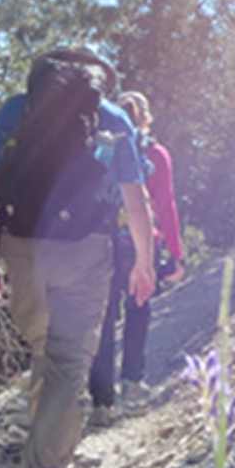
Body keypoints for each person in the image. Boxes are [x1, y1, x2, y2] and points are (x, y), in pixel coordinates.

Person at [0, 48, 156, 468]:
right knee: (68, 368)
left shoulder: (16, 110)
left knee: (45, 356)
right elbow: (135, 197)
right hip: (85, 252)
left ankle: (42, 453)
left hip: (23, 249)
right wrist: (144, 260)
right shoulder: (112, 116)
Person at [87, 90, 185, 426]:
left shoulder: (100, 151)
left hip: (102, 239)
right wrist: (175, 253)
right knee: (138, 310)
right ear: (144, 117)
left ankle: (101, 401)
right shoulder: (155, 154)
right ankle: (132, 383)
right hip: (142, 239)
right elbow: (166, 205)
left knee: (104, 316)